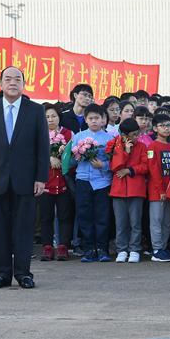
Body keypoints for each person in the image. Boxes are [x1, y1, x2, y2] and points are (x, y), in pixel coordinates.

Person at [0, 67, 49, 289]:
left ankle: (23, 273)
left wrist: (41, 177)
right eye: (7, 79)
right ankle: (2, 274)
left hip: (26, 179)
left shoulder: (35, 110)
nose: (12, 82)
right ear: (0, 84)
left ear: (23, 84)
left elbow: (42, 147)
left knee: (24, 228)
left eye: (17, 79)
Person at [67, 104, 114, 263]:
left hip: (102, 182)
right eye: (91, 118)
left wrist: (104, 166)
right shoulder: (78, 137)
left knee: (102, 216)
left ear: (103, 120)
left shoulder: (110, 139)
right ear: (86, 120)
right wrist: (79, 155)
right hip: (83, 180)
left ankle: (102, 249)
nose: (94, 121)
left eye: (97, 118)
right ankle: (88, 249)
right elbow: (71, 162)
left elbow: (115, 162)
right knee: (84, 215)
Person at [107, 118, 148, 263]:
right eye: (133, 135)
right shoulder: (115, 146)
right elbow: (114, 167)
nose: (136, 137)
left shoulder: (143, 147)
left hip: (136, 190)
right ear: (124, 136)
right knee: (120, 223)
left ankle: (135, 249)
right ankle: (122, 249)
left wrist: (130, 170)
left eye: (137, 134)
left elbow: (145, 166)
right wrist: (126, 151)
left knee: (135, 222)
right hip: (118, 191)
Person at [40, 104, 73, 261]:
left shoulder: (68, 133)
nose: (50, 119)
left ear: (59, 117)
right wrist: (49, 159)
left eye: (53, 116)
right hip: (45, 182)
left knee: (65, 215)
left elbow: (74, 155)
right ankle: (47, 246)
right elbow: (33, 156)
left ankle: (63, 246)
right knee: (46, 216)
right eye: (47, 117)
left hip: (63, 181)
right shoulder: (38, 133)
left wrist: (62, 157)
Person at [147, 114, 170, 262]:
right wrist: (160, 190)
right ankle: (156, 249)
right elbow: (153, 170)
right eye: (162, 126)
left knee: (167, 221)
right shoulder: (152, 146)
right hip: (157, 190)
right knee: (156, 220)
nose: (166, 128)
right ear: (155, 128)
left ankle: (163, 248)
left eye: (168, 125)